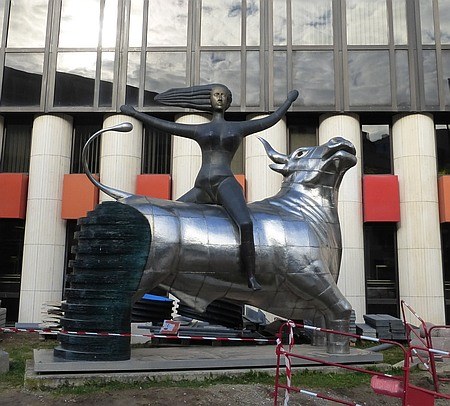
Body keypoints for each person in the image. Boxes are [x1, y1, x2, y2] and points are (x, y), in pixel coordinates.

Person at [120, 84, 298, 290]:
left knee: (246, 223)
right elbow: (165, 126)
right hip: (202, 185)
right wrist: (136, 114)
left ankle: (250, 275)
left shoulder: (238, 128)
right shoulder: (201, 129)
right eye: (216, 95)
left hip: (225, 182)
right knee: (166, 219)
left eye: (224, 95)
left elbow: (272, 119)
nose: (220, 98)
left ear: (229, 101)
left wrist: (288, 101)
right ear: (210, 100)